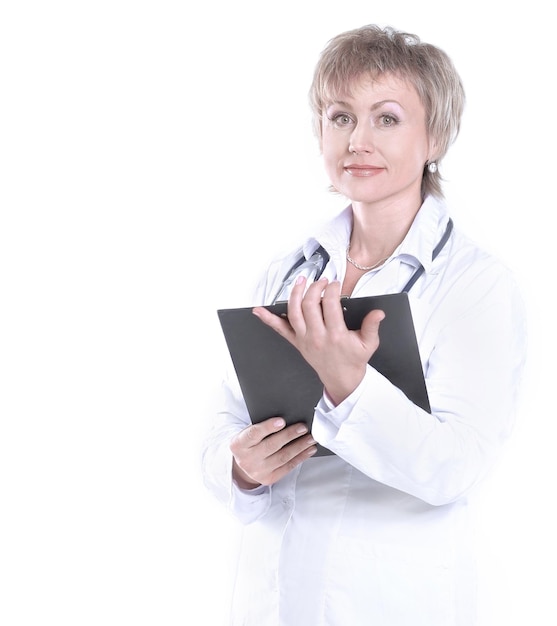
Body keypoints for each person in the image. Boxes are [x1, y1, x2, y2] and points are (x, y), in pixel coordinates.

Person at [203, 24, 526, 625]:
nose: (358, 140)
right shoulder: (287, 269)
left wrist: (350, 387)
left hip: (391, 599)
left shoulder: (475, 285)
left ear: (436, 136)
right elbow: (221, 416)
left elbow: (457, 468)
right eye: (340, 116)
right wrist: (241, 470)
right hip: (272, 600)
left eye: (387, 118)